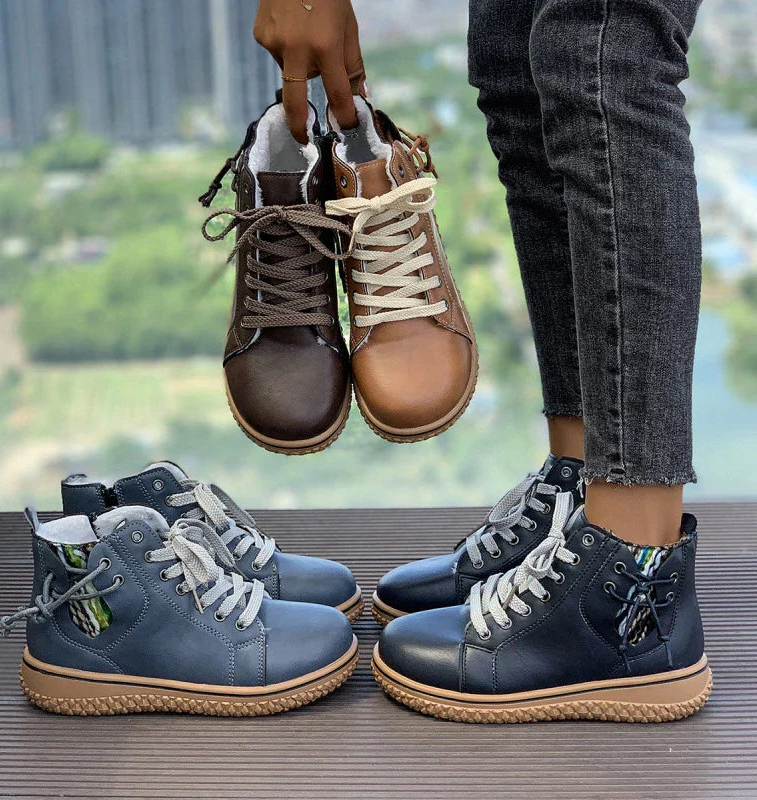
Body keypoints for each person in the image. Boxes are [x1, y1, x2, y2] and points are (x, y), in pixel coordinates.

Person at [252, 0, 710, 722]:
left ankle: (630, 570)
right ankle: (579, 493)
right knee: (518, 68)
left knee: (600, 49)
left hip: (632, 592)